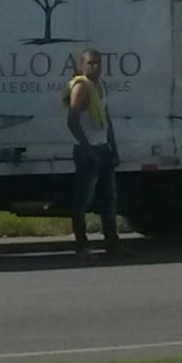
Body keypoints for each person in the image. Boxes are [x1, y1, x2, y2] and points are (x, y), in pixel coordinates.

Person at [65, 48, 124, 258]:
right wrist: (87, 148)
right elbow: (72, 120)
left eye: (98, 63)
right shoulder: (81, 87)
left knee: (109, 199)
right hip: (87, 152)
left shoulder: (102, 86)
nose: (95, 67)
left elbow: (107, 120)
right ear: (82, 65)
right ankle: (82, 245)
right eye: (90, 63)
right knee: (83, 200)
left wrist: (113, 147)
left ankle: (112, 244)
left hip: (104, 148)